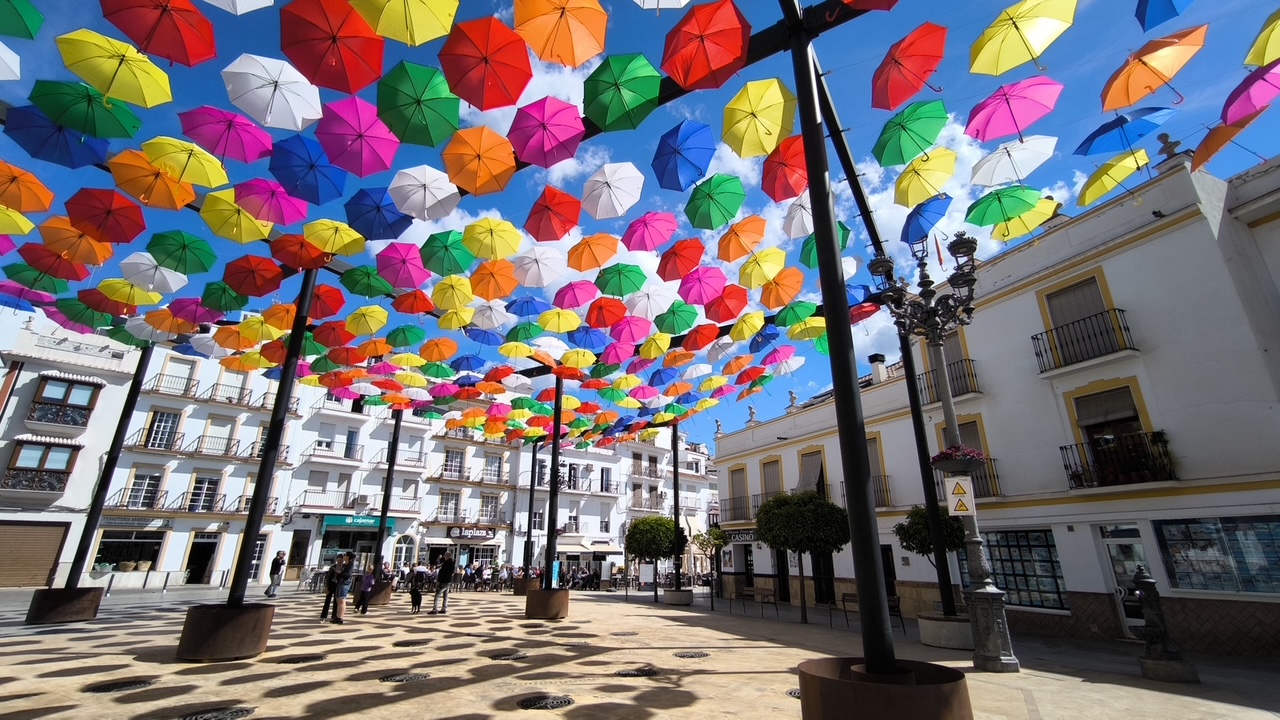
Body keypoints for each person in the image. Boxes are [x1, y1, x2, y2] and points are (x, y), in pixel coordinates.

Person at [332, 552, 354, 624]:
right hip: (340, 582)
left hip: (345, 583)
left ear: (348, 557)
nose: (343, 556)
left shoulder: (350, 565)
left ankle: (340, 617)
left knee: (342, 600)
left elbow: (348, 574)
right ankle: (337, 616)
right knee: (338, 599)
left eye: (345, 555)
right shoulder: (345, 564)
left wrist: (340, 572)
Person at [319, 557, 342, 622]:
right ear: (337, 560)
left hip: (338, 585)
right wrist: (326, 586)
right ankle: (323, 616)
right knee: (327, 601)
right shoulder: (333, 567)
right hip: (331, 584)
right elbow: (328, 577)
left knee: (336, 601)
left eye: (341, 560)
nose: (339, 561)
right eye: (338, 560)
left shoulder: (343, 568)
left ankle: (334, 616)